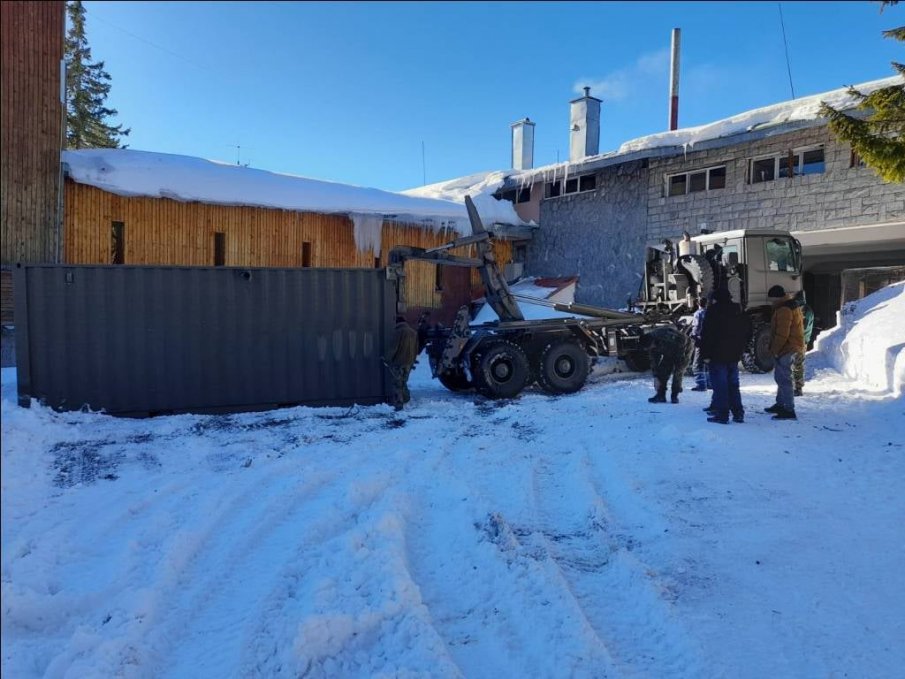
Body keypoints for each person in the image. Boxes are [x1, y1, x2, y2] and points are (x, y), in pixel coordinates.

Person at [700, 288, 752, 424]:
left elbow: (707, 335)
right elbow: (747, 330)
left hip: (717, 355)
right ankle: (738, 413)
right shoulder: (738, 310)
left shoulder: (713, 312)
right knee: (733, 385)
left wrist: (705, 354)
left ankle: (722, 414)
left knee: (720, 386)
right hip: (734, 355)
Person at [765, 285, 805, 420]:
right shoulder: (791, 305)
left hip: (787, 348)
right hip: (791, 347)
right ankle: (780, 404)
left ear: (777, 298)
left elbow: (782, 334)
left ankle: (788, 409)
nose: (771, 302)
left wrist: (775, 350)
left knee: (784, 379)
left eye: (772, 299)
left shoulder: (784, 310)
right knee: (781, 378)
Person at [639, 325, 693, 404]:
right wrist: (656, 377)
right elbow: (654, 362)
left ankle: (674, 395)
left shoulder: (664, 334)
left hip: (684, 349)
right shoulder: (651, 346)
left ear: (653, 341)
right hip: (669, 351)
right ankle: (661, 395)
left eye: (651, 347)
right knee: (662, 370)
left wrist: (678, 361)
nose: (651, 348)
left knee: (678, 372)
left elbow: (683, 340)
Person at [386, 315, 419, 411]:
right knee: (404, 381)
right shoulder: (414, 333)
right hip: (409, 362)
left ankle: (399, 404)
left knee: (397, 383)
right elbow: (416, 348)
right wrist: (413, 359)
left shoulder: (398, 332)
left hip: (398, 362)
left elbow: (393, 347)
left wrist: (386, 358)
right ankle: (406, 399)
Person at [790, 293, 816, 396]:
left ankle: (798, 388)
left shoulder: (806, 312)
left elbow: (802, 328)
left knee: (797, 365)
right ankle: (796, 386)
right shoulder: (806, 310)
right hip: (800, 341)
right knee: (796, 365)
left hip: (800, 342)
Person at [689, 296, 710, 391]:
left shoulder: (698, 313)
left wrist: (693, 336)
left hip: (700, 341)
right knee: (708, 363)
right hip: (709, 341)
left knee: (697, 364)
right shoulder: (710, 313)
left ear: (698, 304)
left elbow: (696, 327)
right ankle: (710, 383)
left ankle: (701, 385)